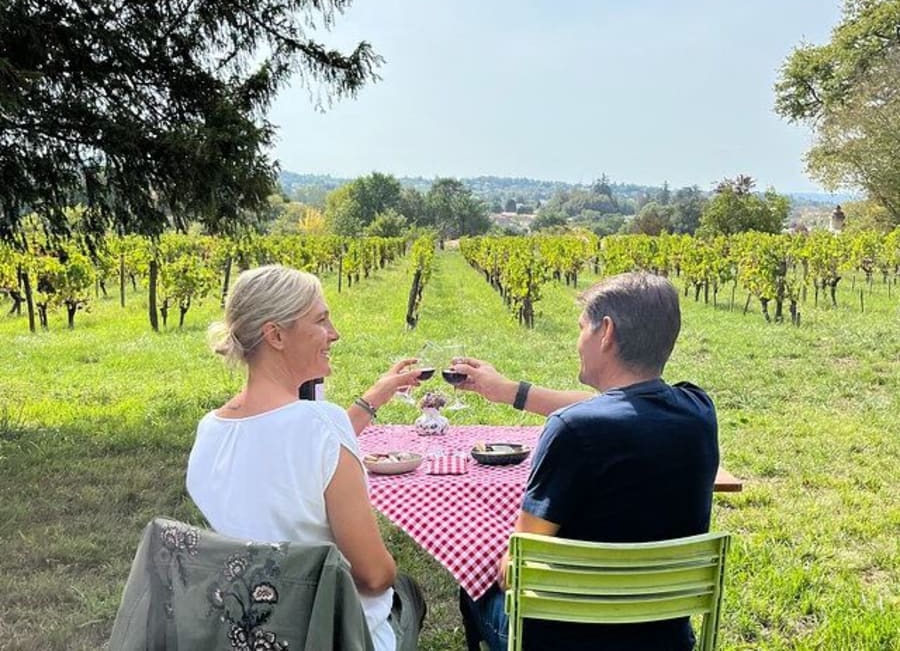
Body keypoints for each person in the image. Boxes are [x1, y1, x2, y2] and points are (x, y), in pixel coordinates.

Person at [454, 271, 720, 651]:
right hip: (663, 637)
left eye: (582, 329)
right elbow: (625, 406)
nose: (578, 342)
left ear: (606, 332)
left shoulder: (572, 432)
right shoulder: (699, 410)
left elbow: (517, 570)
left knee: (472, 586)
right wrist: (512, 392)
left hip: (563, 639)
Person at [186, 265, 427, 651]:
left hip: (251, 629)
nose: (334, 333)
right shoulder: (320, 426)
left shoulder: (210, 430)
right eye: (321, 320)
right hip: (330, 633)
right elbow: (374, 575)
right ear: (276, 335)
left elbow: (286, 445)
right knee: (406, 590)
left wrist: (373, 397)